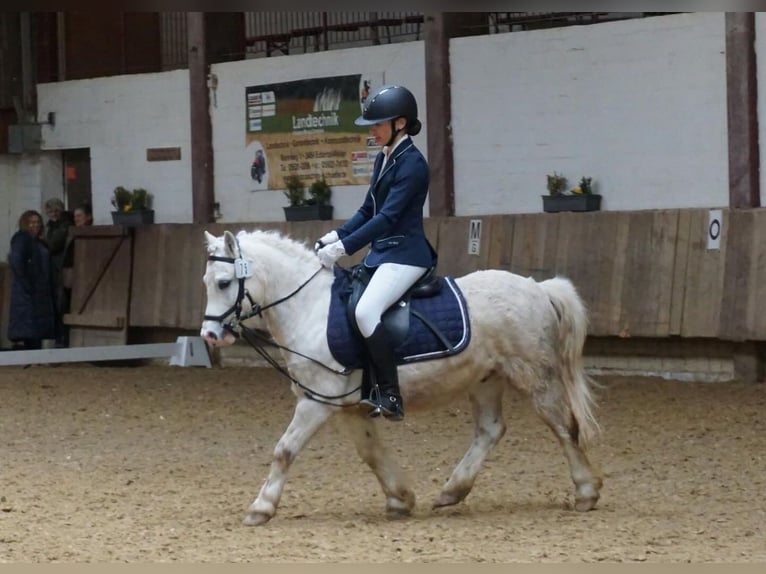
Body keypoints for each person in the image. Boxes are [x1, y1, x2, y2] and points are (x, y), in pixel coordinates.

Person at [314, 84, 437, 421]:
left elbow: (388, 218)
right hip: (383, 254)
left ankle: (391, 395)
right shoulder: (385, 158)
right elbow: (368, 209)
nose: (372, 130)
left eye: (378, 124)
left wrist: (344, 248)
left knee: (367, 312)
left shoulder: (412, 164)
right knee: (349, 303)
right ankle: (365, 387)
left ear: (400, 123)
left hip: (407, 256)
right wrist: (335, 235)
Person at [7, 210, 57, 350]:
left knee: (37, 328)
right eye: (31, 222)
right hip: (27, 293)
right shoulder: (21, 239)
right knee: (29, 327)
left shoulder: (40, 243)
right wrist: (28, 285)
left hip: (40, 291)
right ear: (25, 224)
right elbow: (16, 262)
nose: (35, 225)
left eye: (37, 222)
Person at [42, 197, 73, 347]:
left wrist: (42, 244)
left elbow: (53, 245)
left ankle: (62, 341)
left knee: (61, 306)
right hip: (53, 269)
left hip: (60, 269)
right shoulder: (50, 226)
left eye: (56, 210)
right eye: (50, 211)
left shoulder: (64, 225)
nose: (53, 214)